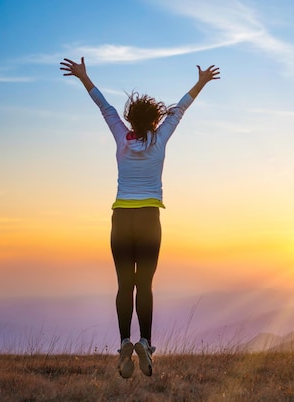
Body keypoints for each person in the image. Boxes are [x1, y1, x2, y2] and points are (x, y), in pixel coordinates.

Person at [60, 57, 220, 378]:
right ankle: (145, 341)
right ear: (154, 119)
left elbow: (104, 107)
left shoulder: (122, 138)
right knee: (145, 285)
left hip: (121, 219)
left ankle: (123, 342)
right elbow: (181, 110)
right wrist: (201, 82)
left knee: (124, 285)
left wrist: (84, 77)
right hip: (149, 218)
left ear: (130, 119)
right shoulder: (160, 140)